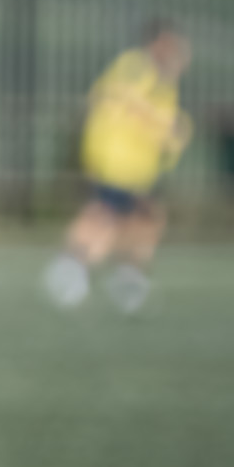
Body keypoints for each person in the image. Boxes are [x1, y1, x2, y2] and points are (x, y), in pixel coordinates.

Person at [43, 22, 192, 313]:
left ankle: (125, 273)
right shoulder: (137, 68)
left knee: (143, 218)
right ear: (158, 43)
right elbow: (127, 104)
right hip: (116, 161)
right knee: (104, 215)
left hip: (137, 166)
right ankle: (72, 268)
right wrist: (168, 129)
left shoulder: (161, 80)